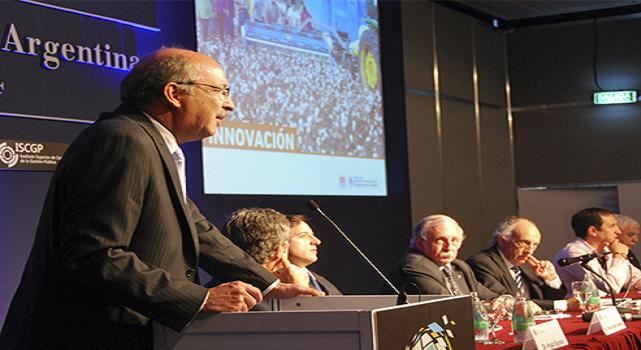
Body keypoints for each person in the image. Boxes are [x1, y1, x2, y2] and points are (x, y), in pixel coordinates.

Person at [0, 48, 319, 350]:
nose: (229, 104)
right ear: (174, 94)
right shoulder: (123, 139)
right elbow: (94, 253)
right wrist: (199, 298)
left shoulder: (151, 142)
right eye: (220, 91)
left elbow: (197, 230)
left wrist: (268, 284)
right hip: (84, 337)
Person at [467, 217, 572, 311]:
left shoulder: (526, 265)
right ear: (502, 241)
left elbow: (551, 299)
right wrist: (563, 305)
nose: (530, 251)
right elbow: (507, 300)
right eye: (524, 243)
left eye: (535, 244)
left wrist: (550, 279)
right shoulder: (482, 263)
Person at [387, 214, 497, 300]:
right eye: (440, 240)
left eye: (454, 240)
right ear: (420, 242)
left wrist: (501, 301)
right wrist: (487, 307)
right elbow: (449, 304)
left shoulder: (458, 266)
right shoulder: (414, 267)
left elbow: (485, 295)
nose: (449, 247)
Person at [553, 207, 641, 296]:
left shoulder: (607, 249)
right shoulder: (574, 253)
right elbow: (610, 287)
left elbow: (635, 279)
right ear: (593, 231)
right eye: (612, 226)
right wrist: (619, 256)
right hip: (584, 308)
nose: (618, 231)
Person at [287, 215, 341, 295]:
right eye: (303, 236)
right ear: (280, 243)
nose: (317, 241)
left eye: (312, 235)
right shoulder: (273, 284)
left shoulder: (322, 281)